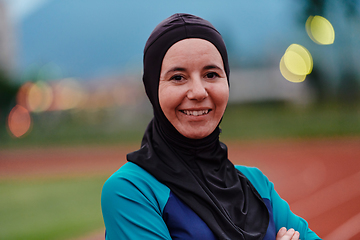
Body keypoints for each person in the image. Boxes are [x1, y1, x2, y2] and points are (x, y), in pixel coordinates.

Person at [101, 13, 321, 240]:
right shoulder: (131, 190)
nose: (198, 92)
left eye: (211, 74)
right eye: (178, 77)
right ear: (152, 88)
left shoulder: (257, 185)